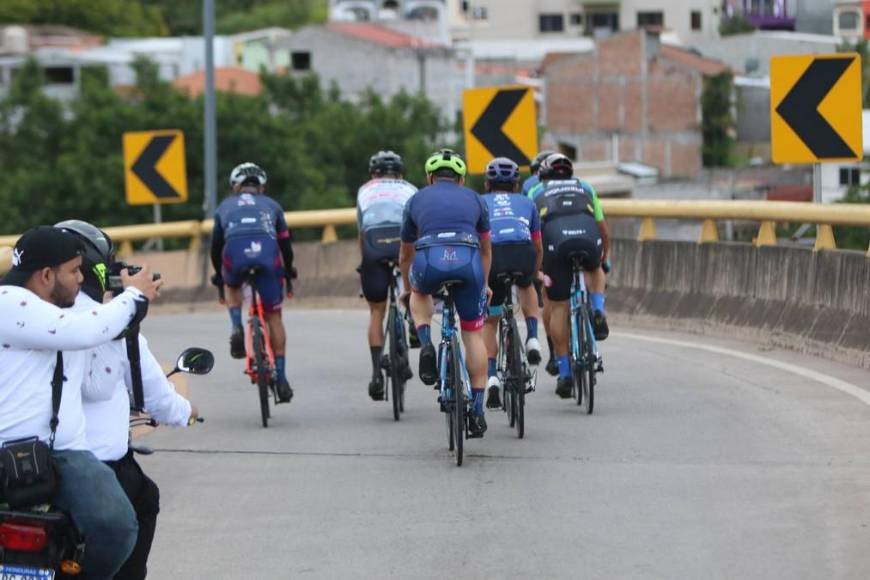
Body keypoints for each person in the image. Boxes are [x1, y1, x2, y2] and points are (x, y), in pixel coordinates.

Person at [0, 225, 162, 579]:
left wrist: (115, 309)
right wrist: (134, 297)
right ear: (45, 275)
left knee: (118, 527)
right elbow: (82, 330)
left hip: (66, 455)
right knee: (118, 527)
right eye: (74, 271)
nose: (80, 279)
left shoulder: (57, 313)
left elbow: (95, 358)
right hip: (12, 454)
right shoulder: (8, 304)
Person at [57, 220, 198, 580]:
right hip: (95, 463)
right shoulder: (110, 321)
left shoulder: (27, 315)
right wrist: (186, 413)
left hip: (21, 463)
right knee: (143, 502)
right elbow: (154, 392)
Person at [399, 149, 492, 437]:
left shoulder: (415, 200)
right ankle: (476, 410)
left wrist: (408, 288)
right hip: (468, 260)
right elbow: (487, 249)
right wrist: (484, 284)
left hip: (430, 259)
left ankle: (426, 342)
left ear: (429, 178)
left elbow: (405, 254)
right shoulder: (476, 199)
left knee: (420, 293)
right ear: (462, 179)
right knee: (473, 334)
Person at [211, 162, 295, 403]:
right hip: (267, 253)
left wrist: (219, 273)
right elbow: (285, 246)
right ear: (262, 187)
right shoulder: (272, 205)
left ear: (235, 187)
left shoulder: (225, 206)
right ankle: (282, 378)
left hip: (234, 252)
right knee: (274, 317)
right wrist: (288, 271)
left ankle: (236, 326)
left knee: (232, 284)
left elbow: (216, 247)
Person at [529, 154, 611, 398]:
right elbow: (603, 228)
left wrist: (538, 268)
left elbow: (532, 234)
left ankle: (564, 373)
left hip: (555, 245)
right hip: (588, 239)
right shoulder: (585, 187)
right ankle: (597, 309)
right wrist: (603, 258)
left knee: (558, 307)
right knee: (594, 269)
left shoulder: (535, 191)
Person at [478, 157, 543, 410]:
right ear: (516, 185)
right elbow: (537, 246)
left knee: (490, 322)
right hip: (521, 253)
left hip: (494, 256)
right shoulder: (527, 202)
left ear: (487, 183)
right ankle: (533, 338)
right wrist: (534, 273)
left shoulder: (480, 202)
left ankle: (492, 375)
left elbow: (478, 246)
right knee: (526, 285)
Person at [356, 151, 417, 400]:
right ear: (400, 174)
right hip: (402, 240)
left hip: (374, 242)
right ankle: (413, 323)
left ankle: (375, 375)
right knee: (413, 290)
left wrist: (365, 262)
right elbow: (417, 228)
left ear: (374, 174)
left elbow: (362, 230)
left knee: (376, 312)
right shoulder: (410, 188)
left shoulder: (365, 190)